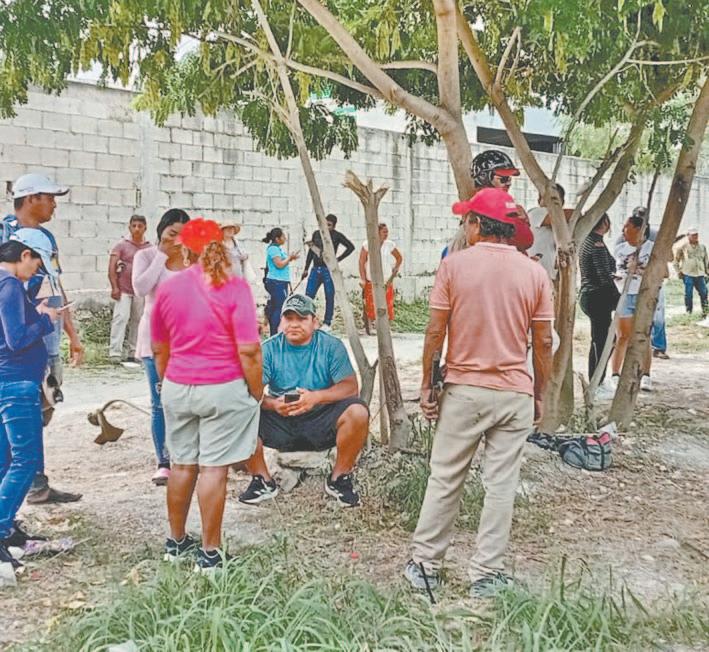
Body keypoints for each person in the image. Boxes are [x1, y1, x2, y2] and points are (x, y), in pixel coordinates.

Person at [404, 188, 553, 598]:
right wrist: (539, 392)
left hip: (465, 392)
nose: (464, 227)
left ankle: (426, 566)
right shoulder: (534, 273)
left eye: (466, 220)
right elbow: (543, 342)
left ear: (476, 225)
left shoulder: (454, 266)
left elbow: (435, 331)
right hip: (514, 393)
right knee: (501, 484)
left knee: (445, 478)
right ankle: (487, 574)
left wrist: (427, 384)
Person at [151, 218, 263, 571]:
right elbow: (249, 350)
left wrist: (169, 382)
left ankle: (175, 543)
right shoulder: (235, 289)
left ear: (185, 250)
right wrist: (256, 391)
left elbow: (159, 348)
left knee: (182, 465)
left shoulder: (168, 289)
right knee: (213, 468)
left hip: (178, 386)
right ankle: (210, 554)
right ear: (222, 248)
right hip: (221, 387)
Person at [239, 294, 369, 508]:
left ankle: (340, 478)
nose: (294, 324)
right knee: (240, 410)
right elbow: (250, 392)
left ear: (315, 322)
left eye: (301, 318)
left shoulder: (331, 346)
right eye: (289, 318)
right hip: (281, 420)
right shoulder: (269, 349)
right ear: (280, 322)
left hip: (320, 420)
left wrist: (316, 397)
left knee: (358, 412)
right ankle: (262, 480)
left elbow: (351, 387)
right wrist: (274, 404)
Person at [1, 173, 84, 505]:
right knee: (18, 411)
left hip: (45, 337)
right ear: (31, 198)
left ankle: (34, 481)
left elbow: (55, 284)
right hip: (16, 342)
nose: (54, 205)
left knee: (42, 408)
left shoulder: (46, 237)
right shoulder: (5, 235)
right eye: (50, 198)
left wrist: (71, 334)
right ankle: (23, 485)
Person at [0, 240, 60, 574]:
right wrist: (46, 320)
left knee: (6, 460)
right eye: (36, 264)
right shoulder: (9, 284)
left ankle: (8, 530)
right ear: (25, 255)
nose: (35, 271)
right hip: (17, 382)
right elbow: (17, 339)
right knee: (27, 459)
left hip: (7, 381)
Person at [132, 209, 191, 485]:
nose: (177, 239)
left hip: (188, 341)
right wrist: (161, 256)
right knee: (159, 402)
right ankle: (164, 462)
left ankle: (187, 456)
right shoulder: (146, 256)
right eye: (172, 233)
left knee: (188, 400)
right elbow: (141, 288)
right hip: (154, 341)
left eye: (182, 235)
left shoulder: (191, 259)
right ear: (161, 231)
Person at [445, 150, 534, 256]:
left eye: (509, 179)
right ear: (484, 178)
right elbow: (525, 239)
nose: (508, 183)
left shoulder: (506, 206)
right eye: (503, 179)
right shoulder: (488, 209)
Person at [610, 214, 655, 391]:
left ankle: (645, 375)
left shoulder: (652, 248)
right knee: (622, 336)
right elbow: (617, 269)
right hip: (624, 295)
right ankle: (615, 374)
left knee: (644, 336)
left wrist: (641, 270)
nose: (623, 230)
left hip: (643, 295)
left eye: (627, 226)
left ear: (639, 229)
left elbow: (663, 272)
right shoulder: (619, 249)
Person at [578, 213, 620, 389]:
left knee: (605, 339)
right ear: (605, 223)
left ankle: (598, 379)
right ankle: (596, 381)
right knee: (602, 341)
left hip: (592, 295)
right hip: (597, 296)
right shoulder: (596, 244)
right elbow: (604, 276)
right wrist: (618, 300)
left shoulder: (589, 240)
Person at [108, 214, 150, 367]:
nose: (137, 229)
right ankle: (115, 353)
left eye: (140, 226)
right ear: (129, 227)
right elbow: (112, 267)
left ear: (145, 228)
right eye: (134, 226)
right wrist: (114, 287)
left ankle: (134, 352)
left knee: (138, 321)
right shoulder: (122, 245)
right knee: (120, 318)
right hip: (123, 289)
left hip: (140, 291)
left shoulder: (149, 248)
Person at [301, 214, 355, 332]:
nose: (326, 227)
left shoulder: (337, 235)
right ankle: (307, 319)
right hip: (315, 269)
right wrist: (306, 268)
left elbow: (351, 247)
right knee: (309, 295)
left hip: (328, 270)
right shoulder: (316, 234)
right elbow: (311, 252)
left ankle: (327, 322)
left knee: (329, 296)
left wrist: (338, 259)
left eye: (329, 225)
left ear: (334, 226)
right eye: (325, 224)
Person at [359, 223, 403, 326]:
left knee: (387, 304)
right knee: (370, 304)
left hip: (386, 279)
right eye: (384, 232)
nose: (386, 234)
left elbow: (399, 258)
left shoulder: (389, 245)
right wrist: (363, 278)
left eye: (387, 232)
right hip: (371, 279)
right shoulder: (367, 244)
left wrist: (394, 271)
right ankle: (370, 325)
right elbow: (361, 262)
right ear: (377, 233)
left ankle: (385, 326)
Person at [528, 183, 571, 279]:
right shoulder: (536, 212)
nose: (550, 202)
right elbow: (570, 214)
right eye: (546, 198)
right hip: (534, 274)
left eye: (555, 199)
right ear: (539, 200)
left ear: (562, 202)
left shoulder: (561, 221)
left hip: (550, 275)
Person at [262, 228, 299, 336]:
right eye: (283, 236)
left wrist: (290, 258)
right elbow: (279, 264)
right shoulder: (273, 249)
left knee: (276, 307)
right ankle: (275, 333)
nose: (285, 238)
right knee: (279, 308)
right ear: (277, 239)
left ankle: (274, 332)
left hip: (279, 281)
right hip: (277, 282)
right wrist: (290, 258)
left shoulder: (277, 248)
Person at [674, 227, 708, 316]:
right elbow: (676, 261)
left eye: (696, 235)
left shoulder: (702, 247)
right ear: (688, 236)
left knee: (704, 293)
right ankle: (689, 312)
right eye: (693, 235)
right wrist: (678, 272)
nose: (695, 236)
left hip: (700, 274)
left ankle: (705, 312)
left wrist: (707, 273)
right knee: (688, 294)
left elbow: (706, 261)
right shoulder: (683, 247)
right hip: (688, 274)